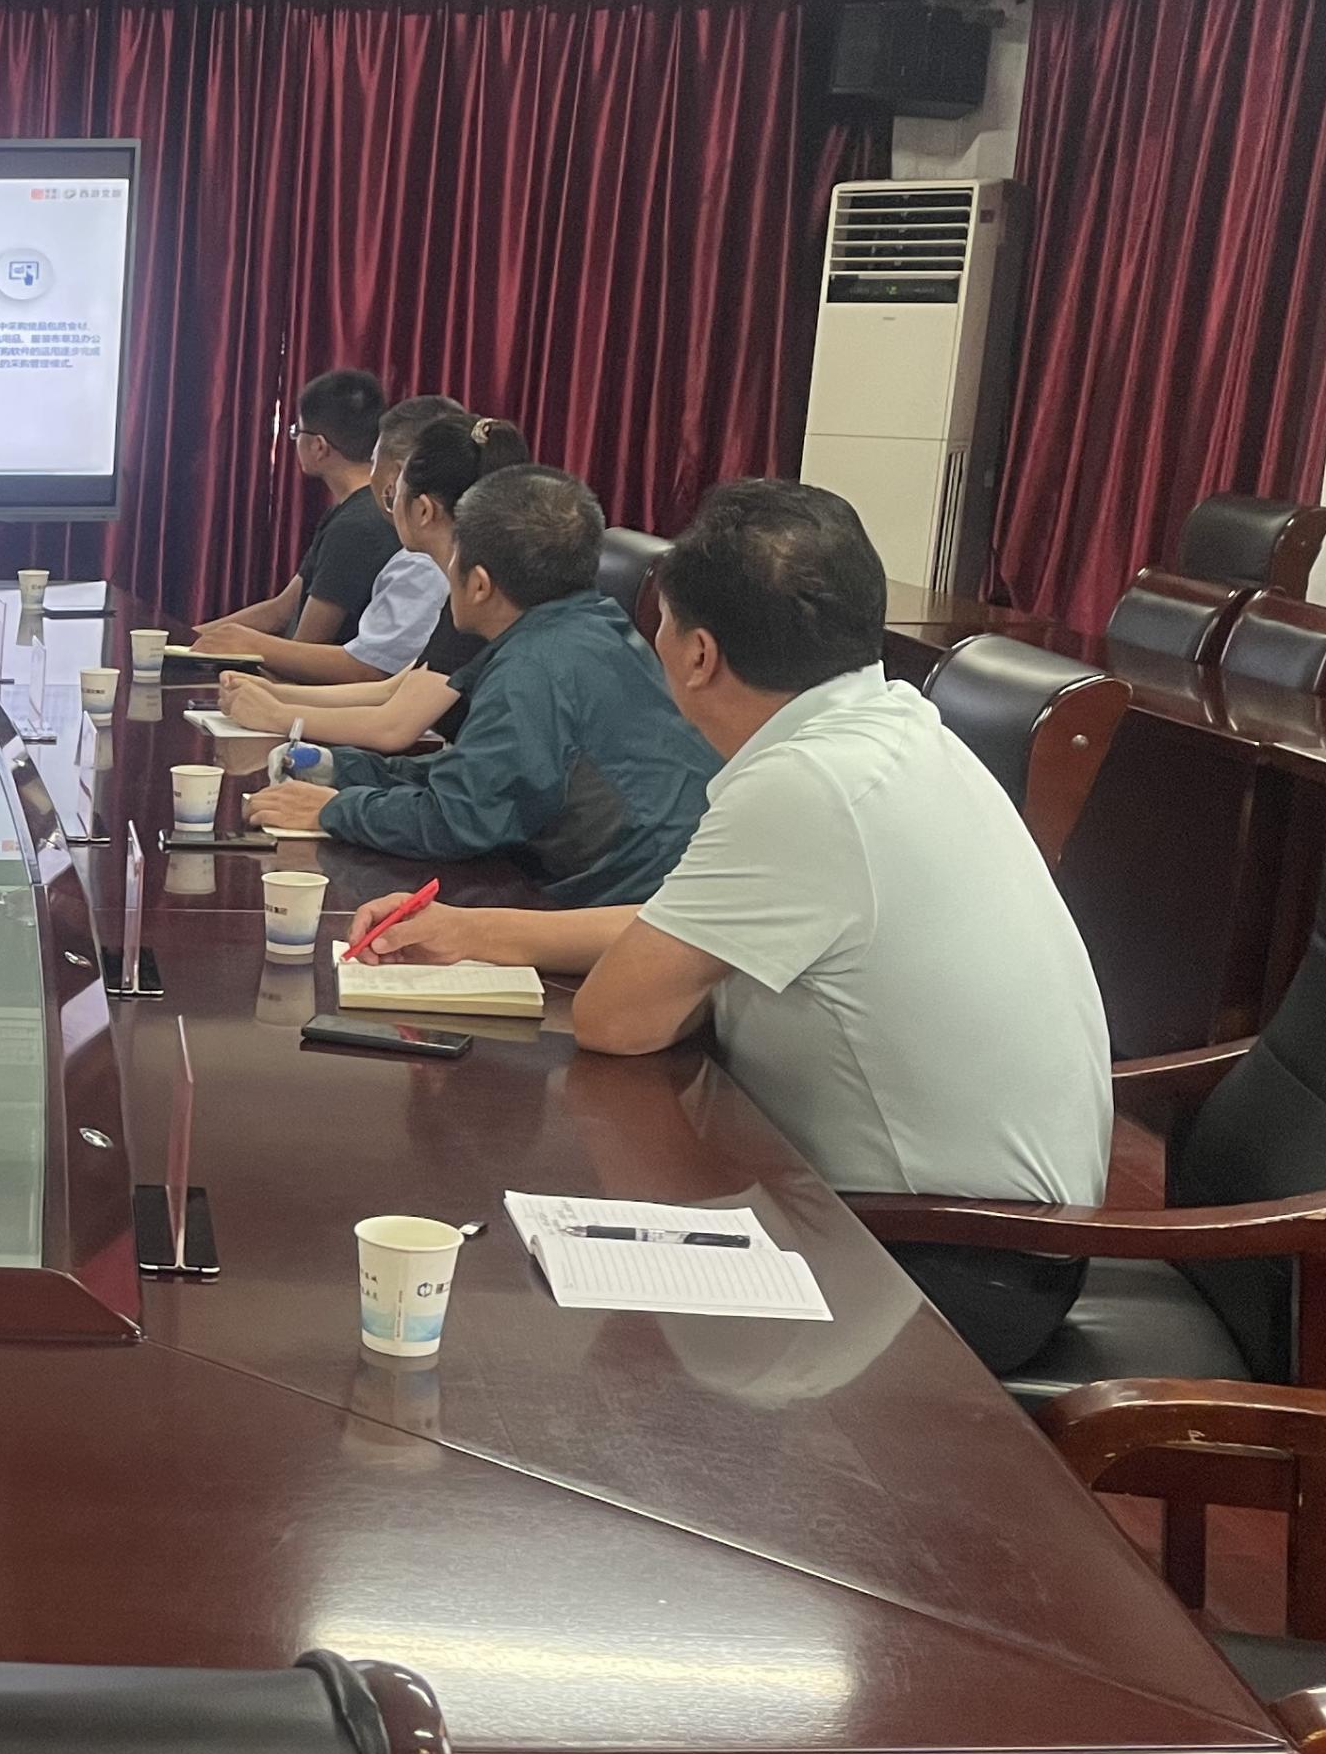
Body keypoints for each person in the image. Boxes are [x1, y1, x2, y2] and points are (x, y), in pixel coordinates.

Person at [360, 479, 1113, 1372]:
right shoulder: (892, 727)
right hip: (983, 1229)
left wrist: (649, 981)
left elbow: (618, 1018)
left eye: (660, 625)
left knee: (561, 1329)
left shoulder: (806, 786)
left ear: (698, 654)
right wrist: (477, 933)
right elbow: (690, 925)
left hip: (942, 1260)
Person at [248, 463, 715, 907]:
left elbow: (455, 820)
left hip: (614, 905)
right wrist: (342, 770)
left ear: (479, 585)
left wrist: (332, 811)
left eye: (452, 558)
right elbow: (481, 774)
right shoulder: (596, 625)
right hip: (648, 883)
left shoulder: (530, 671)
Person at [221, 414, 527, 753]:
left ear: (423, 510)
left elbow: (393, 726)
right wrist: (275, 693)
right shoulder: (473, 581)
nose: (386, 496)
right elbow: (395, 689)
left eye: (396, 489)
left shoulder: (483, 596)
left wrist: (277, 715)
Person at [210, 392, 466, 689]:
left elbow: (369, 670)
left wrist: (261, 663)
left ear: (397, 480)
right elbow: (395, 694)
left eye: (374, 461)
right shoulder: (412, 551)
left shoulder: (412, 559)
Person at [202, 368, 394, 647]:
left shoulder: (355, 526)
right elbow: (280, 611)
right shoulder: (351, 510)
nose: (294, 439)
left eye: (296, 431)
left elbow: (306, 645)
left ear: (318, 446)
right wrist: (185, 639)